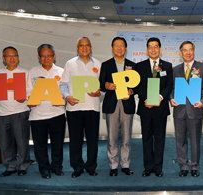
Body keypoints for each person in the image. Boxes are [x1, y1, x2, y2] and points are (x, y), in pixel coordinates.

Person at [60, 37, 102, 178]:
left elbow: (102, 86)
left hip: (92, 108)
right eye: (81, 46)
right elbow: (63, 84)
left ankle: (91, 166)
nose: (84, 48)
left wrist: (100, 92)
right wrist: (67, 97)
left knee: (92, 141)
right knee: (75, 141)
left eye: (87, 45)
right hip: (74, 108)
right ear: (77, 48)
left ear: (91, 47)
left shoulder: (98, 64)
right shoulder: (70, 63)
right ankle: (77, 167)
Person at [170, 41, 203, 177]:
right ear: (180, 53)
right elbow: (171, 89)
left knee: (195, 140)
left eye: (190, 50)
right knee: (180, 140)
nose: (188, 52)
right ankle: (183, 166)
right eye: (185, 50)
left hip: (195, 109)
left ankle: (194, 166)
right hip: (179, 110)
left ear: (194, 51)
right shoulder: (175, 69)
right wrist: (171, 98)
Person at [134, 37, 173, 177]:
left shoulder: (167, 66)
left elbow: (169, 85)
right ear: (146, 50)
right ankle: (148, 167)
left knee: (160, 139)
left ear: (160, 49)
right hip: (146, 108)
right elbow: (138, 86)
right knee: (146, 139)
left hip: (161, 109)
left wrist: (159, 98)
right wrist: (146, 99)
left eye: (156, 46)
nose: (153, 49)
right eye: (150, 46)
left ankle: (158, 168)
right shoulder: (139, 66)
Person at [99, 37, 136, 176]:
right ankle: (113, 165)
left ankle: (125, 164)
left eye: (122, 46)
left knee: (126, 138)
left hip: (127, 104)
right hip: (112, 104)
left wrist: (131, 90)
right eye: (116, 45)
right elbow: (101, 84)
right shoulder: (106, 64)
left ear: (126, 48)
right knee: (112, 138)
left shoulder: (132, 65)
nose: (119, 48)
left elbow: (137, 86)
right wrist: (106, 85)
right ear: (112, 48)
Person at [27, 44, 66, 179]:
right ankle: (44, 169)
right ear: (39, 58)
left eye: (49, 55)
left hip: (57, 113)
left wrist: (64, 98)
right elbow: (28, 91)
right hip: (37, 115)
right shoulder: (32, 72)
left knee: (58, 144)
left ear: (54, 57)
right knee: (40, 146)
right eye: (43, 56)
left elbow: (66, 91)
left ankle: (57, 167)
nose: (46, 58)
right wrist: (30, 99)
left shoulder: (61, 71)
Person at [0, 46, 31, 177]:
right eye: (8, 56)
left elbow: (31, 90)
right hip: (2, 113)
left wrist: (25, 97)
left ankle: (22, 165)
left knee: (22, 142)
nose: (12, 58)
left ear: (18, 58)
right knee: (5, 143)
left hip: (20, 112)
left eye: (14, 55)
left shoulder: (25, 73)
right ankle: (10, 166)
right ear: (4, 59)